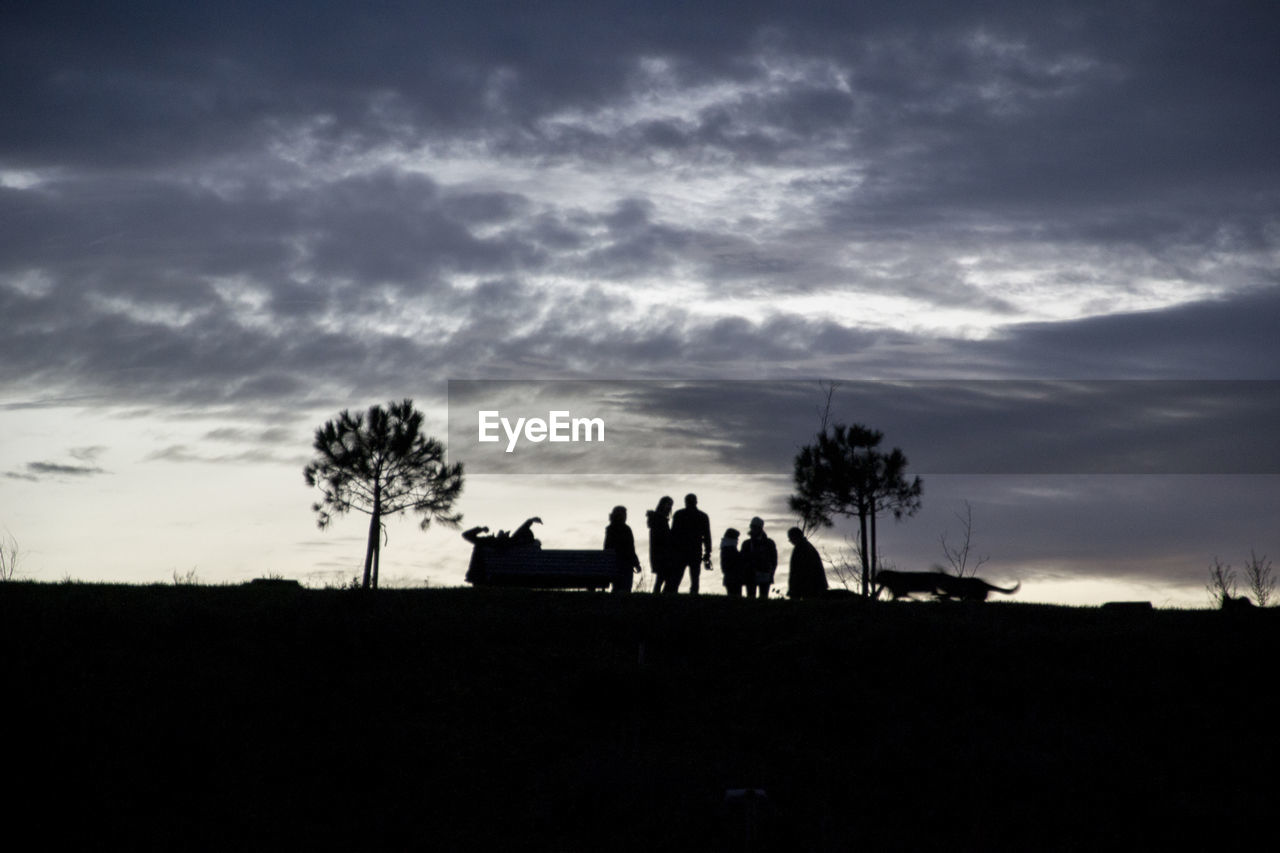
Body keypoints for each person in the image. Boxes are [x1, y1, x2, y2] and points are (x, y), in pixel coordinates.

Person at [669, 493, 712, 594]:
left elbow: (673, 535)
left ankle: (671, 598)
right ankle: (693, 598)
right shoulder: (703, 516)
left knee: (676, 579)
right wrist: (707, 552)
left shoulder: (679, 514)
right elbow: (707, 536)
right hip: (695, 551)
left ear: (685, 502)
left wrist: (671, 551)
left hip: (681, 552)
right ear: (696, 502)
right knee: (694, 579)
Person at [604, 506, 641, 594]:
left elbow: (607, 548)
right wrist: (636, 563)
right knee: (626, 588)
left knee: (617, 588)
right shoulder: (626, 529)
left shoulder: (610, 529)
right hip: (625, 565)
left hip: (614, 564)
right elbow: (630, 549)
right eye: (624, 514)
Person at [739, 517, 777, 600]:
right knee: (751, 598)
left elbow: (774, 560)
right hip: (750, 575)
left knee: (763, 598)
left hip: (765, 574)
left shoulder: (769, 543)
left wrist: (771, 573)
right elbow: (742, 560)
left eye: (755, 527)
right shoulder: (746, 544)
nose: (753, 529)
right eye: (752, 527)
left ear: (760, 528)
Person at [786, 527, 828, 599]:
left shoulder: (802, 548)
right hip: (812, 586)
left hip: (809, 587)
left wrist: (794, 589)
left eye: (790, 538)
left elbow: (799, 571)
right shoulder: (806, 546)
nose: (790, 540)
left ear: (795, 537)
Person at [646, 496, 674, 594]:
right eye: (668, 504)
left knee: (662, 579)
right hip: (662, 555)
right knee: (666, 579)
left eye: (670, 505)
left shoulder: (658, 519)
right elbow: (663, 538)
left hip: (660, 554)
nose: (669, 507)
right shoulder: (659, 520)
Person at [720, 528, 743, 597]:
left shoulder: (725, 549)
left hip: (730, 578)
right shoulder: (730, 550)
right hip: (733, 578)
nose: (737, 540)